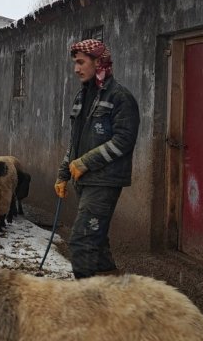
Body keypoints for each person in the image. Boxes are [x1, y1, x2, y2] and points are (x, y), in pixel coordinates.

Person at [54, 39, 140, 279]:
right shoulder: (82, 98)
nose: (76, 69)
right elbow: (75, 141)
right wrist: (63, 174)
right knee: (97, 242)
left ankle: (88, 305)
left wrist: (85, 162)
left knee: (82, 243)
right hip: (84, 180)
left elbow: (124, 141)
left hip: (104, 180)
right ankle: (113, 290)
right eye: (75, 63)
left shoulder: (120, 98)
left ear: (98, 62)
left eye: (81, 62)